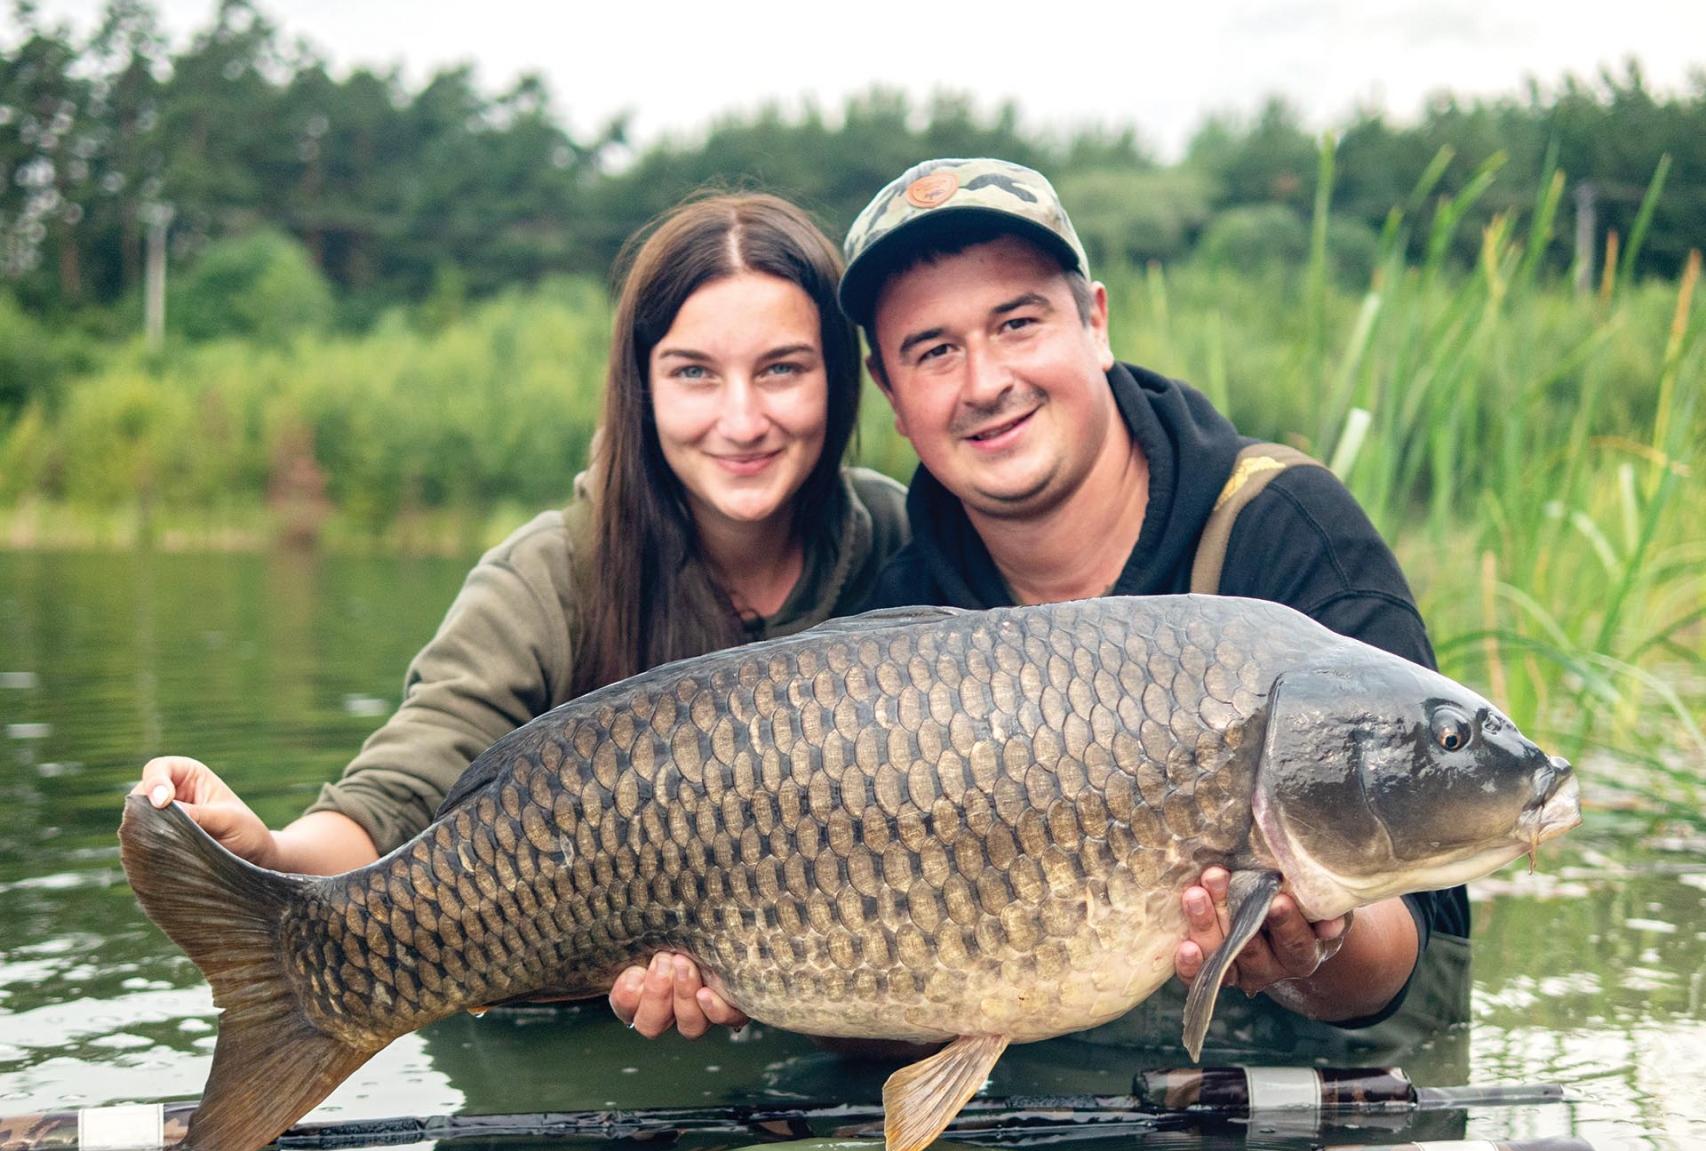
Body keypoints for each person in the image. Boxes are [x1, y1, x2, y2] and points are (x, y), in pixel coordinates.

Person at [620, 159, 1468, 1053]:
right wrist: (754, 976)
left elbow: (1429, 935)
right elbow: (883, 1009)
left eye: (1017, 324)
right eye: (934, 351)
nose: (985, 381)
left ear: (1094, 322)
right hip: (1035, 1090)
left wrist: (1313, 948)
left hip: (1318, 1089)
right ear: (892, 396)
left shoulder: (1284, 529)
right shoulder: (900, 616)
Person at [135, 193, 909, 1040]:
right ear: (642, 388)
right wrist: (275, 858)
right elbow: (404, 792)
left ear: (840, 380)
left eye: (782, 369)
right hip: (551, 1033)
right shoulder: (546, 574)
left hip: (835, 1024)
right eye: (694, 372)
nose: (742, 419)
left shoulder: (898, 539)